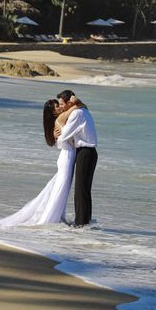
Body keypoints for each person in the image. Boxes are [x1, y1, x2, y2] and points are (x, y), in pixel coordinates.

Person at [0, 99, 79, 227]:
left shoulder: (58, 122)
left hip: (67, 157)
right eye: (57, 106)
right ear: (52, 112)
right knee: (60, 189)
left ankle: (57, 216)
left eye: (60, 105)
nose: (60, 107)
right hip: (66, 158)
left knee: (60, 189)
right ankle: (50, 218)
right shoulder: (59, 121)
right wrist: (78, 104)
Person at [54, 90, 98, 227]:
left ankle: (80, 223)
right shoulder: (82, 111)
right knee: (84, 188)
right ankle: (85, 221)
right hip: (89, 153)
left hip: (85, 152)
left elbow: (65, 134)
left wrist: (57, 136)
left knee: (80, 189)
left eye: (62, 104)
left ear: (69, 103)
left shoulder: (76, 114)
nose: (61, 107)